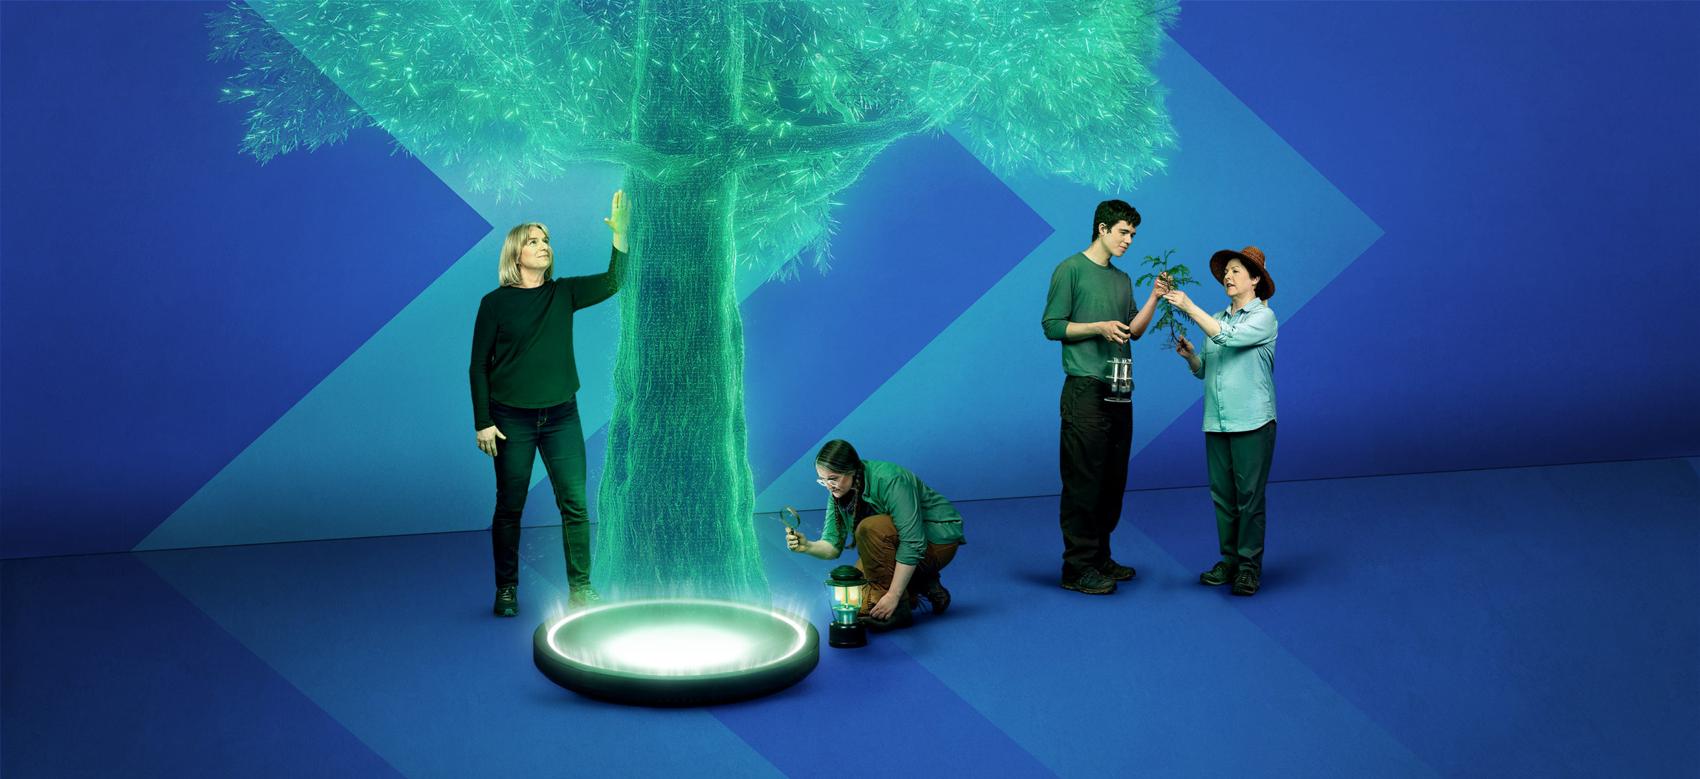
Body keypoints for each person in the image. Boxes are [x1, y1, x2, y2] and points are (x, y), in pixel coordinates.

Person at [470, 190, 629, 617]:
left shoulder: (563, 294)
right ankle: (506, 589)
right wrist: (483, 421)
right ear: (516, 254)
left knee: (574, 503)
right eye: (534, 241)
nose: (544, 246)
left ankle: (582, 587)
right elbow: (477, 367)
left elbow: (616, 280)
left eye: (546, 240)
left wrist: (620, 237)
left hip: (561, 416)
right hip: (510, 421)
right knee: (510, 505)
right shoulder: (494, 304)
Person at [1040, 199, 1167, 595]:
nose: (1129, 240)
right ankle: (1076, 568)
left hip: (1119, 388)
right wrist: (1096, 327)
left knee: (1113, 478)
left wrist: (1154, 298)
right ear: (1102, 228)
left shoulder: (1122, 280)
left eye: (1133, 234)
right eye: (1123, 232)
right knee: (1084, 478)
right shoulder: (1070, 270)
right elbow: (1051, 326)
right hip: (1084, 388)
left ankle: (1100, 557)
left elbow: (1134, 331)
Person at [1165, 245, 1278, 596]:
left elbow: (1227, 338)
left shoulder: (1263, 318)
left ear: (1255, 279)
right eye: (1226, 271)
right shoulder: (1217, 316)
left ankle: (1248, 568)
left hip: (1253, 421)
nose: (1227, 276)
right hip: (1217, 422)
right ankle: (1229, 561)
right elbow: (1209, 371)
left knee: (1249, 497)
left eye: (1236, 271)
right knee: (1223, 497)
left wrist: (1189, 307)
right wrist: (1192, 358)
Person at [784, 440, 965, 630]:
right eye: (823, 480)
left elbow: (913, 542)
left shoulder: (891, 479)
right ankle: (921, 581)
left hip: (936, 540)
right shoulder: (838, 492)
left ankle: (902, 607)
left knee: (870, 528)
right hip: (895, 542)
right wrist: (807, 546)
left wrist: (893, 596)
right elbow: (832, 547)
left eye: (833, 478)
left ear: (852, 470)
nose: (829, 486)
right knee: (859, 604)